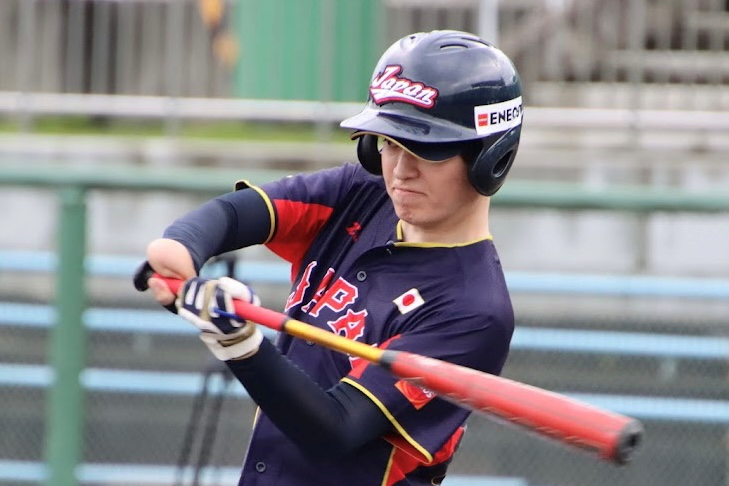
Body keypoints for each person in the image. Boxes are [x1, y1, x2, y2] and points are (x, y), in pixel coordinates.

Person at [136, 29, 523, 486]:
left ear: (489, 158)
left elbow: (335, 429)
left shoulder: (475, 310)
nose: (400, 170)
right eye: (389, 143)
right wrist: (183, 249)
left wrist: (239, 343)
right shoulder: (363, 191)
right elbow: (239, 214)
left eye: (427, 150)